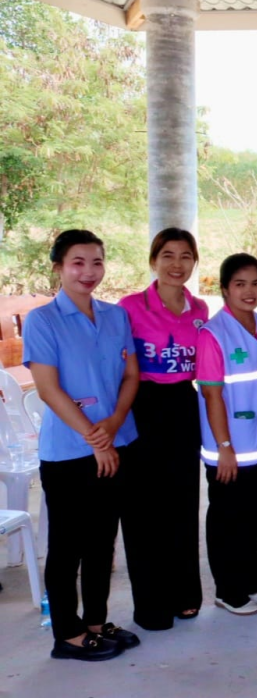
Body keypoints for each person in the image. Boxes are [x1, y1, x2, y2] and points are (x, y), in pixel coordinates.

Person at [25, 230, 140, 661]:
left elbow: (131, 376)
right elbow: (48, 389)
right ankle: (68, 634)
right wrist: (95, 438)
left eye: (97, 262)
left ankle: (95, 622)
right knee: (67, 544)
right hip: (69, 453)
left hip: (116, 441)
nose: (89, 272)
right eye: (78, 262)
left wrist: (112, 425)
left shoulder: (115, 316)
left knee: (101, 541)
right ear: (58, 267)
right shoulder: (43, 320)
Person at [117, 228, 209, 629]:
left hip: (183, 407)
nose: (177, 264)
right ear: (153, 261)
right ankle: (151, 605)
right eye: (168, 255)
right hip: (142, 406)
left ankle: (185, 594)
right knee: (142, 509)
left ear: (194, 262)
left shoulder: (200, 309)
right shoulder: (130, 307)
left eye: (185, 256)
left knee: (183, 502)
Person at [197, 253, 257, 616]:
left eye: (256, 283)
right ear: (225, 289)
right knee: (228, 520)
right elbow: (212, 394)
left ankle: (254, 582)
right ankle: (228, 590)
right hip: (231, 448)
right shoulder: (213, 334)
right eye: (240, 284)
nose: (249, 291)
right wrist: (225, 448)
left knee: (255, 518)